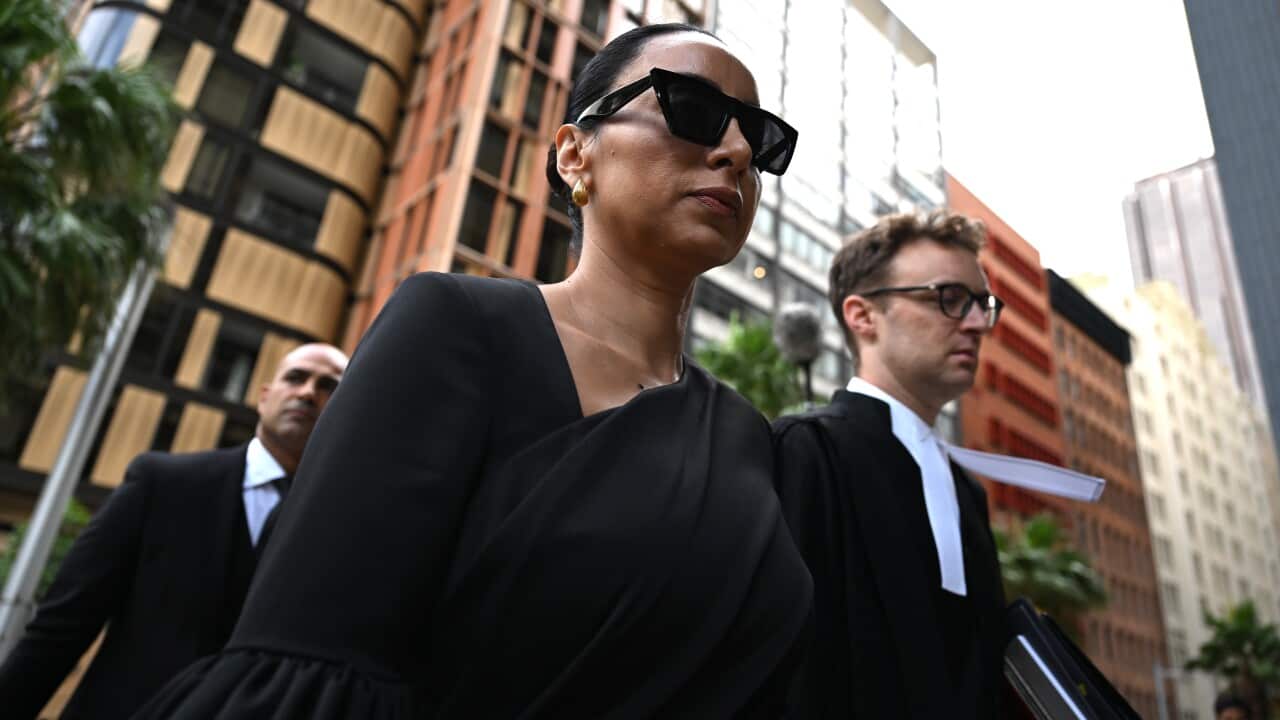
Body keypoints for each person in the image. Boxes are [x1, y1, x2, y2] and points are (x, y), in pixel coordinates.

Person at [134, 23, 811, 718]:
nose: (734, 153)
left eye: (756, 138)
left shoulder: (747, 437)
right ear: (576, 154)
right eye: (690, 110)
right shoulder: (454, 325)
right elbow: (316, 654)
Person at [0, 342, 348, 719]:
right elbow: (61, 627)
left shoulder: (339, 529)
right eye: (296, 377)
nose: (308, 392)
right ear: (264, 398)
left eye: (328, 385)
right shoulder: (161, 483)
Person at [773, 210, 1009, 719]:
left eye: (983, 305)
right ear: (863, 316)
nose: (975, 324)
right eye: (949, 298)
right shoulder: (805, 451)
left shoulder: (968, 492)